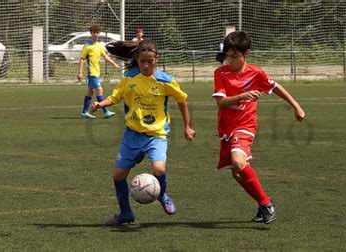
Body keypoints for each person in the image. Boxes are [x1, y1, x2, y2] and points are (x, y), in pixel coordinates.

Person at [92, 39, 196, 226]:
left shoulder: (166, 80)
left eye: (150, 61)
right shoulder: (130, 77)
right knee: (118, 176)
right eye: (142, 61)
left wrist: (187, 126)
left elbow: (182, 100)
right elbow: (115, 96)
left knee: (159, 169)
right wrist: (101, 104)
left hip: (156, 134)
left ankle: (162, 195)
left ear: (157, 59)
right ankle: (125, 214)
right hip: (132, 134)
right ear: (137, 59)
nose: (146, 65)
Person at [212, 31, 305, 224]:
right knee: (237, 172)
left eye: (235, 56)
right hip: (225, 129)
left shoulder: (256, 73)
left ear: (246, 54)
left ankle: (266, 203)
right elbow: (221, 103)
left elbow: (276, 87)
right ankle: (263, 205)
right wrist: (242, 96)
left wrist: (296, 106)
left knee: (238, 163)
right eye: (228, 56)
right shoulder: (220, 73)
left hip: (245, 126)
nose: (230, 60)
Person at [77, 24, 120, 119]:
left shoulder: (99, 46)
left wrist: (114, 64)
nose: (96, 34)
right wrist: (80, 72)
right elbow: (82, 59)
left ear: (99, 33)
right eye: (94, 32)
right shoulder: (87, 46)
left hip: (96, 72)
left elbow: (106, 57)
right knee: (99, 90)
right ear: (91, 33)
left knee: (90, 92)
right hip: (92, 73)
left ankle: (84, 113)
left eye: (97, 32)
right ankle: (106, 111)